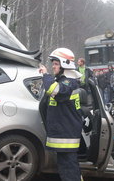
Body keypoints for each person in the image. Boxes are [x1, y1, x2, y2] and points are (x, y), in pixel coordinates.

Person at [39, 48, 83, 181]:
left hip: (67, 134)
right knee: (66, 168)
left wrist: (46, 75)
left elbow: (55, 91)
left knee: (69, 169)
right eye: (53, 63)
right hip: (64, 132)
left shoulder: (69, 82)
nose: (53, 66)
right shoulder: (63, 80)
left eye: (56, 64)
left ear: (65, 64)